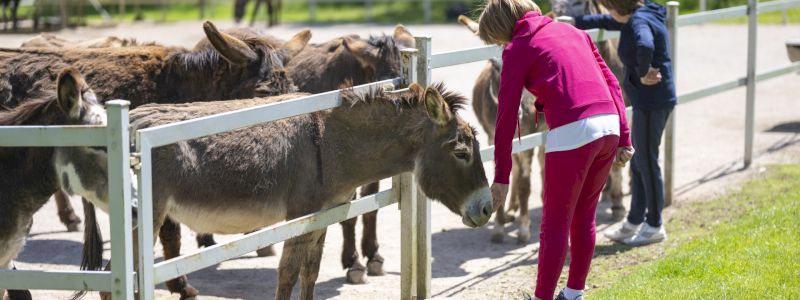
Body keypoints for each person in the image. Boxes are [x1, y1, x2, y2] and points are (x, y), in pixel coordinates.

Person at [478, 0, 634, 299]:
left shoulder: (517, 48)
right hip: (609, 125)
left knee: (555, 222)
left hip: (573, 129)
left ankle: (543, 297)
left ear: (503, 29)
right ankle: (574, 293)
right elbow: (613, 83)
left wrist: (501, 178)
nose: (502, 45)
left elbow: (506, 114)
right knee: (584, 215)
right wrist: (625, 137)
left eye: (498, 39)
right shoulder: (575, 33)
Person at [573, 0, 676, 246]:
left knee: (648, 162)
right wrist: (572, 23)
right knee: (640, 162)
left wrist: (641, 72)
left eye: (609, 8)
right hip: (650, 100)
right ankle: (634, 220)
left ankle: (654, 225)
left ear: (618, 7)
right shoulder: (642, 14)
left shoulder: (638, 22)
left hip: (653, 101)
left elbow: (645, 44)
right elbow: (607, 21)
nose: (608, 14)